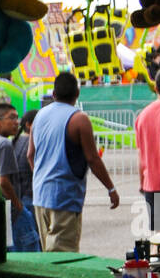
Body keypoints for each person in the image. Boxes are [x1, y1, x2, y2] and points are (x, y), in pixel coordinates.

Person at [28, 72, 119, 251]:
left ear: (54, 94)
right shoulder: (79, 119)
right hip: (64, 198)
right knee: (63, 259)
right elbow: (93, 159)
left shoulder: (39, 116)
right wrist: (111, 188)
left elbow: (30, 154)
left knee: (48, 256)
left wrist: (41, 178)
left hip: (40, 196)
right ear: (77, 94)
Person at [0, 101, 40, 253]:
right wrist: (19, 206)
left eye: (17, 118)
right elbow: (3, 181)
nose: (17, 122)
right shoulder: (5, 144)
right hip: (16, 210)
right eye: (12, 118)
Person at [134, 65, 160, 232]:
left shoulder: (142, 116)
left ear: (155, 87)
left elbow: (141, 155)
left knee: (159, 235)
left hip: (152, 185)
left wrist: (143, 182)